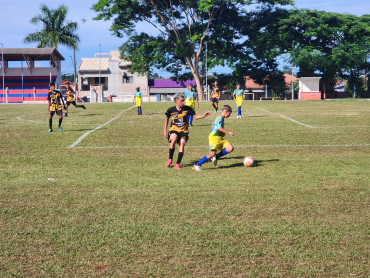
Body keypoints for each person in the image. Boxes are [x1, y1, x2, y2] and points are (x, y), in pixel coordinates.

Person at [164, 94, 210, 170]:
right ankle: (170, 159)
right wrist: (165, 131)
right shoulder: (170, 110)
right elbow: (167, 119)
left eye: (183, 101)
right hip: (173, 129)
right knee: (173, 139)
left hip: (184, 131)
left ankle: (177, 164)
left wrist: (204, 115)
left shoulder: (187, 108)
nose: (183, 102)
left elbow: (195, 117)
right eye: (181, 101)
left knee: (182, 143)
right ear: (176, 101)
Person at [193, 105, 234, 171]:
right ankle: (197, 165)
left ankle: (216, 157)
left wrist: (221, 133)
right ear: (226, 112)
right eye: (229, 113)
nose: (229, 115)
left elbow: (216, 127)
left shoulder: (221, 118)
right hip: (214, 138)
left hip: (219, 137)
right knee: (212, 153)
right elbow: (218, 127)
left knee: (230, 148)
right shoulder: (219, 118)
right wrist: (228, 132)